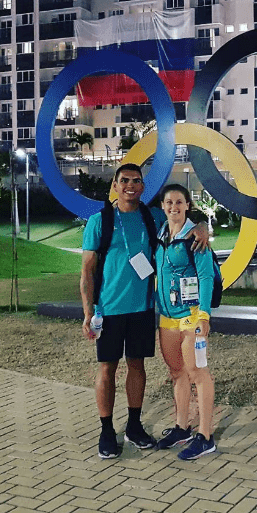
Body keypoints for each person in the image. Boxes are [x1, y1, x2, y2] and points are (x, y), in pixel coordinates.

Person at [81, 164, 208, 459]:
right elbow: (87, 271)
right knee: (107, 368)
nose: (130, 185)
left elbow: (182, 215)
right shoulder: (100, 221)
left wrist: (202, 227)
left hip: (142, 308)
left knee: (137, 366)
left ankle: (135, 426)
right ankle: (106, 430)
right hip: (109, 309)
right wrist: (88, 312)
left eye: (136, 181)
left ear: (142, 187)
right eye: (124, 180)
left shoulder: (150, 217)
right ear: (115, 185)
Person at [154, 184, 217, 460]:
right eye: (169, 202)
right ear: (163, 206)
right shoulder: (160, 233)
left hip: (191, 317)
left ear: (187, 205)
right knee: (177, 372)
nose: (173, 207)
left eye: (179, 202)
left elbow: (205, 277)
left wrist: (204, 315)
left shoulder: (195, 236)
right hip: (167, 316)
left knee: (197, 373)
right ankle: (182, 427)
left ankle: (205, 436)